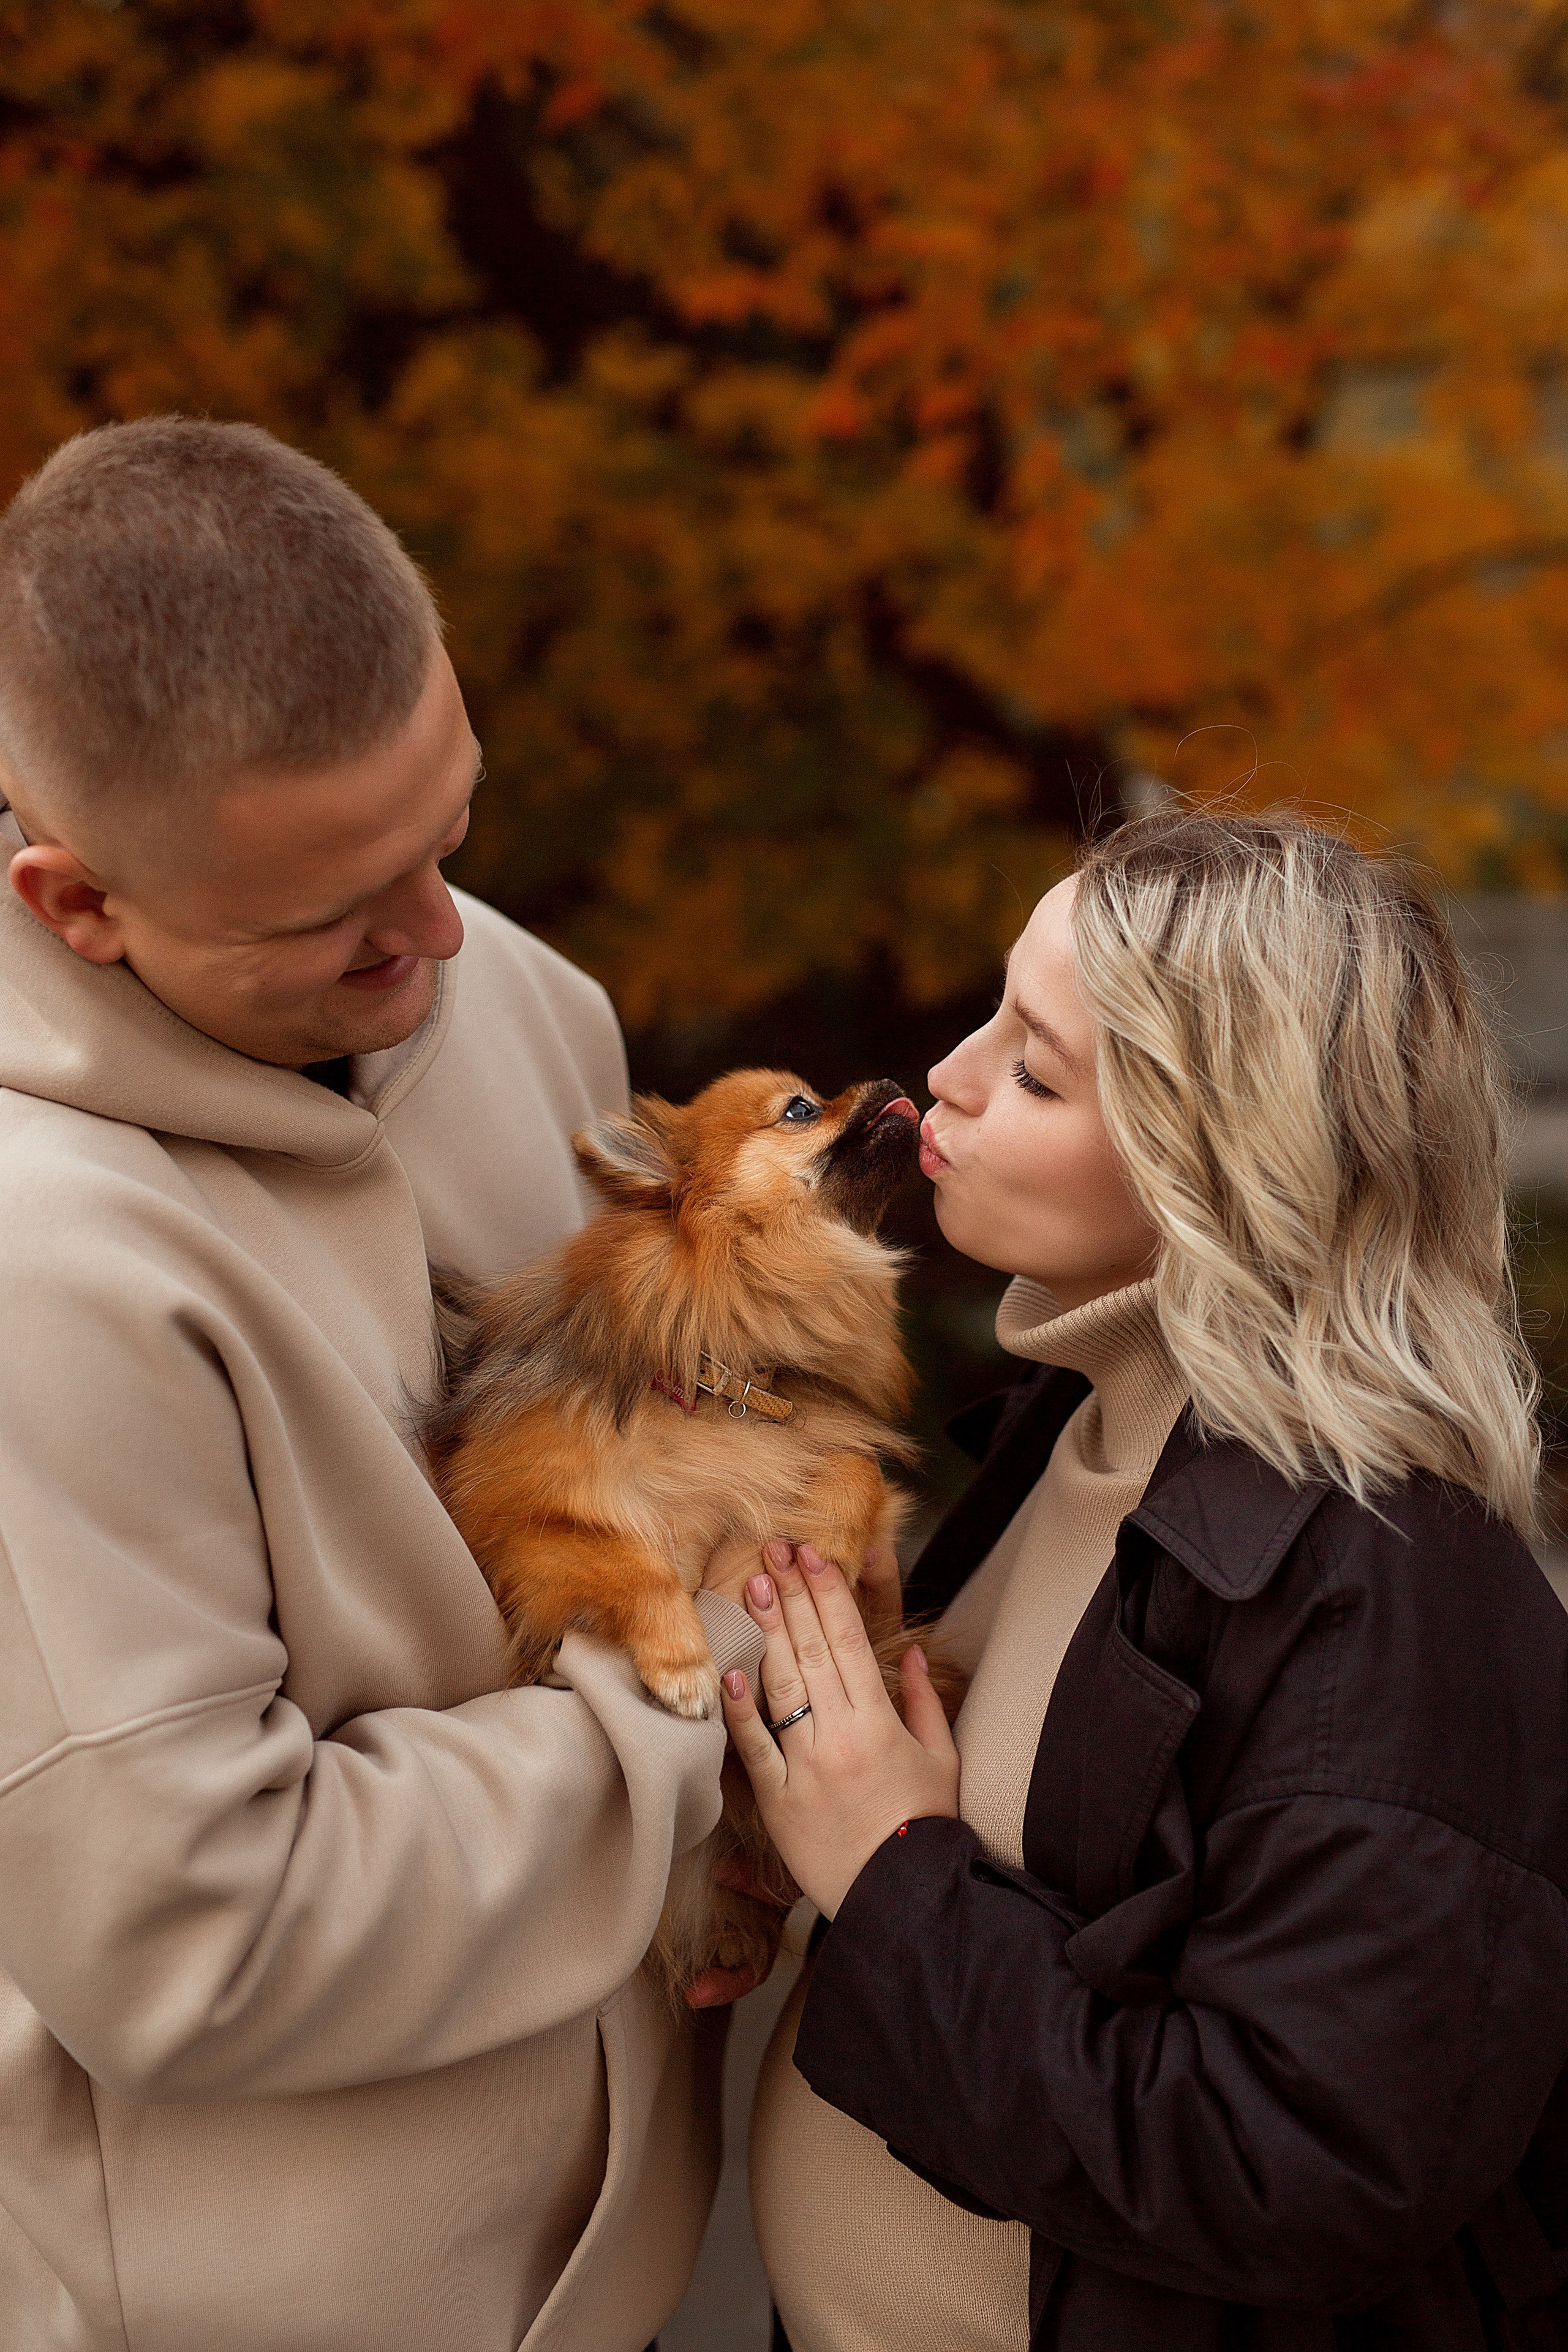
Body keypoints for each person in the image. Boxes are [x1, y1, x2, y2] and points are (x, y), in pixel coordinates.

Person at [0, 415, 769, 2352]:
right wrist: (702, 1698)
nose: (442, 938)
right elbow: (207, 1937)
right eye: (341, 918)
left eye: (453, 831)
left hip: (607, 2278)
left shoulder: (499, 986)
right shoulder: (39, 1270)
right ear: (74, 905)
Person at [724, 809, 1568, 2350]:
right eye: (993, 1014)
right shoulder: (1079, 1428)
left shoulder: (1394, 1597)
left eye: (1035, 1070)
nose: (948, 1081)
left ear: (1224, 1164)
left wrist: (885, 1866)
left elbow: (1286, 2169)